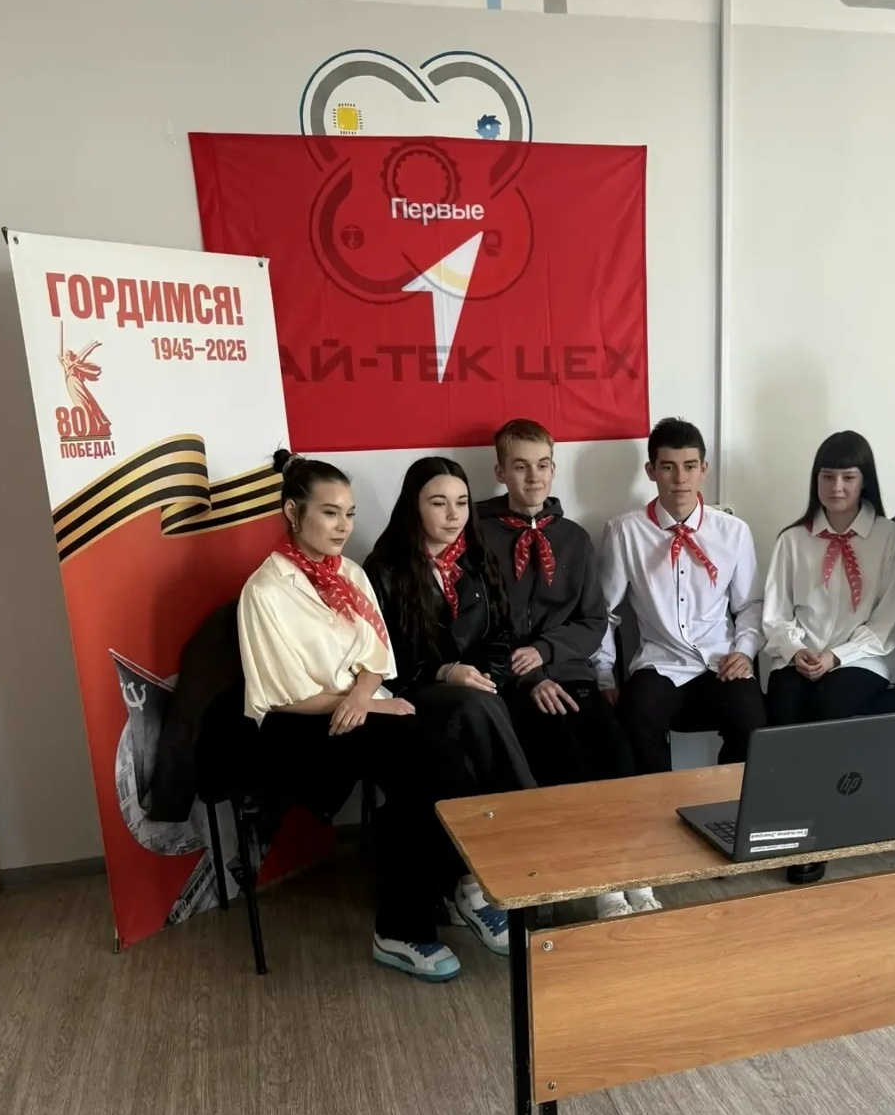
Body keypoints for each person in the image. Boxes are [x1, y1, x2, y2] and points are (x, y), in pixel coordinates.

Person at [238, 450, 464, 983]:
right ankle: (401, 931)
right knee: (415, 757)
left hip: (358, 707)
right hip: (298, 726)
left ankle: (451, 889)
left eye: (350, 513)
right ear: (293, 513)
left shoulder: (351, 574)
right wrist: (369, 703)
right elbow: (282, 694)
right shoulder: (265, 591)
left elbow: (376, 655)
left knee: (440, 749)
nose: (344, 526)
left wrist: (365, 695)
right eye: (330, 512)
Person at [477, 419, 658, 919]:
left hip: (571, 673)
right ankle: (601, 885)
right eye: (520, 467)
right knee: (568, 763)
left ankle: (631, 872)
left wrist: (548, 652)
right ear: (501, 472)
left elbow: (594, 619)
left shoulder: (574, 538)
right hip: (514, 682)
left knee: (618, 761)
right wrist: (530, 676)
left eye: (542, 465)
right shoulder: (479, 536)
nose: (533, 477)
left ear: (553, 470)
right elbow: (480, 624)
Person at [363, 456, 537, 957]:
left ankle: (476, 882)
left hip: (476, 696)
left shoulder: (476, 559)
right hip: (415, 694)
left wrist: (485, 677)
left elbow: (502, 636)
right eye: (438, 503)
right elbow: (384, 662)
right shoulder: (385, 569)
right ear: (413, 507)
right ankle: (527, 830)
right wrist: (446, 672)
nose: (453, 514)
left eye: (461, 502)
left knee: (478, 714)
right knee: (470, 708)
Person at [598, 418, 766, 773]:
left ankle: (730, 801)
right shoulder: (624, 532)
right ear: (651, 471)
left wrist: (744, 651)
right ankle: (659, 803)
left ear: (704, 469)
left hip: (721, 658)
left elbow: (750, 604)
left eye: (690, 466)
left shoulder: (733, 531)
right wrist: (603, 675)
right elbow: (605, 612)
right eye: (668, 467)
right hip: (660, 661)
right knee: (635, 716)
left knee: (752, 719)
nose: (680, 478)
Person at [763, 429, 895, 726]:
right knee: (784, 706)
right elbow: (776, 612)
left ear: (864, 480)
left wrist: (836, 656)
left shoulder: (892, 538)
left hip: (860, 659)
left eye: (848, 477)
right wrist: (796, 650)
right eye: (827, 477)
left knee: (829, 704)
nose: (837, 487)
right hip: (796, 657)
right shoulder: (791, 540)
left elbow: (887, 620)